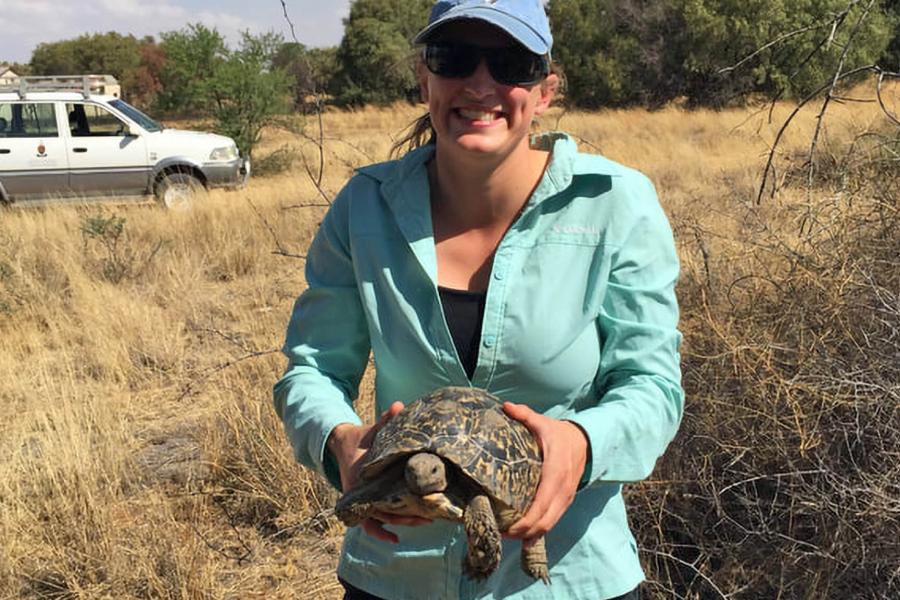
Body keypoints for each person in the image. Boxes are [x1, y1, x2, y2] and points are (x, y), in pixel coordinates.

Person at [273, 1, 684, 598]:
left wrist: (583, 444)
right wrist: (338, 441)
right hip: (396, 572)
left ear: (544, 90)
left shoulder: (615, 204)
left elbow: (652, 385)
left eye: (511, 62)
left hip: (567, 574)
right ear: (425, 79)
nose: (481, 83)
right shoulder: (364, 207)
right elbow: (311, 370)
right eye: (454, 57)